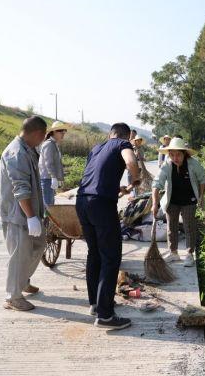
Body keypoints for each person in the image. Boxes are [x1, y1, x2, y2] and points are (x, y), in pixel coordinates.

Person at [75, 123, 141, 330]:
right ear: (127, 136)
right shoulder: (123, 144)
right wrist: (136, 178)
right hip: (101, 205)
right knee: (111, 258)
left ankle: (96, 304)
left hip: (83, 202)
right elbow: (131, 161)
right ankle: (105, 316)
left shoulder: (96, 148)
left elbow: (97, 177)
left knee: (94, 253)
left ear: (109, 133)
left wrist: (119, 188)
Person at [0, 116, 47, 311]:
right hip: (17, 214)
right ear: (38, 134)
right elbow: (21, 189)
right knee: (19, 255)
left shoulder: (28, 149)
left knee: (39, 245)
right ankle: (13, 297)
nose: (43, 141)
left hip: (28, 211)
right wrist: (31, 217)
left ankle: (23, 281)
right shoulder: (16, 153)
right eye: (43, 136)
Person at [151, 137, 205, 267]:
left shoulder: (193, 164)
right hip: (172, 200)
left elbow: (202, 179)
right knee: (171, 227)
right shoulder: (167, 165)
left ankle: (189, 254)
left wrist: (201, 196)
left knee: (189, 226)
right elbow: (156, 184)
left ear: (184, 153)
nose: (175, 158)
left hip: (189, 200)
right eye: (172, 155)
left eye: (178, 155)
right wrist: (155, 203)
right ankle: (173, 252)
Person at [39, 121, 68, 207]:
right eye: (60, 131)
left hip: (49, 179)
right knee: (48, 206)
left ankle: (48, 220)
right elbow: (49, 163)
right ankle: (46, 220)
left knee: (50, 204)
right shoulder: (49, 144)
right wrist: (53, 177)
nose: (63, 133)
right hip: (47, 179)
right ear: (54, 132)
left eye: (64, 131)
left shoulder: (54, 144)